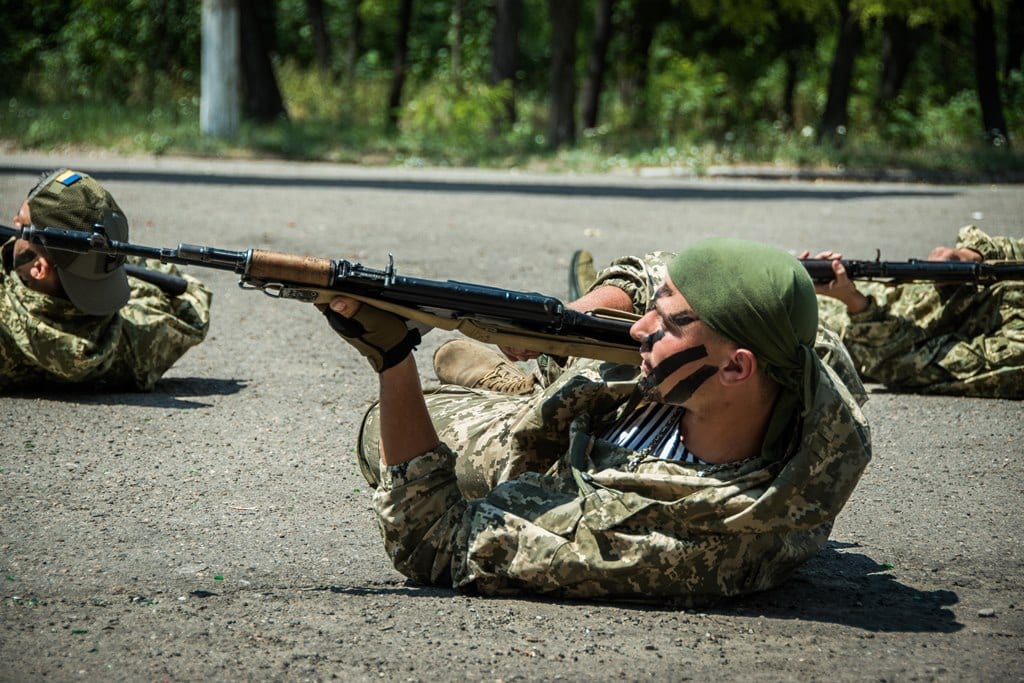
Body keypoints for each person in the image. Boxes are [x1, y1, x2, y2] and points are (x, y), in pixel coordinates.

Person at [323, 238, 871, 602]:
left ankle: (526, 390)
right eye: (653, 310)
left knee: (381, 430)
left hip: (563, 460)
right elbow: (655, 270)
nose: (639, 328)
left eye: (670, 324)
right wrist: (567, 320)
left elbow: (433, 542)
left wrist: (393, 361)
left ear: (735, 366)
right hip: (619, 397)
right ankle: (543, 366)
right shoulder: (795, 352)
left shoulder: (649, 534)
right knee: (594, 342)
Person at [1, 168, 212, 392]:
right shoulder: (137, 340)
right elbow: (191, 296)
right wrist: (103, 261)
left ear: (39, 268)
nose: (14, 223)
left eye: (21, 226)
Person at [807, 225, 1023, 399]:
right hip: (848, 300)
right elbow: (1011, 250)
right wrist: (969, 255)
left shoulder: (1017, 352)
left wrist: (855, 303)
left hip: (825, 341)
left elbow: (905, 365)